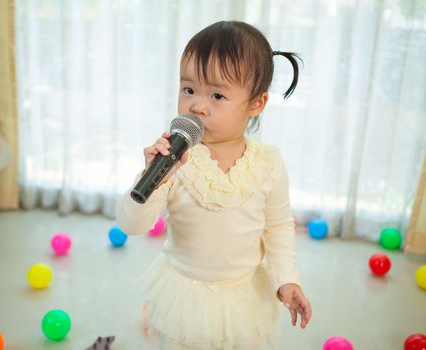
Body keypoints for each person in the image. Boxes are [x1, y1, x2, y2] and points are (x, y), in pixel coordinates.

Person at [116, 20, 311, 350]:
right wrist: (153, 177)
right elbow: (131, 224)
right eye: (189, 89)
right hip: (184, 295)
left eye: (217, 95)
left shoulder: (269, 161)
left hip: (242, 296)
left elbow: (278, 226)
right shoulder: (175, 158)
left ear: (256, 104)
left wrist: (287, 279)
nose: (198, 105)